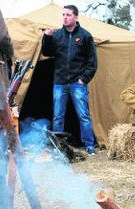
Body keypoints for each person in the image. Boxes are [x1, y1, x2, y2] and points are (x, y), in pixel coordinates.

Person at [41, 5, 98, 155]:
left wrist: (84, 79)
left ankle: (89, 145)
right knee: (58, 116)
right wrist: (46, 37)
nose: (65, 17)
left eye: (68, 15)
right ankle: (58, 147)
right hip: (60, 82)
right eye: (63, 15)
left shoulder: (85, 36)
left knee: (83, 115)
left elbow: (92, 62)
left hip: (77, 83)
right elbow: (46, 53)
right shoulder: (57, 35)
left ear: (76, 17)